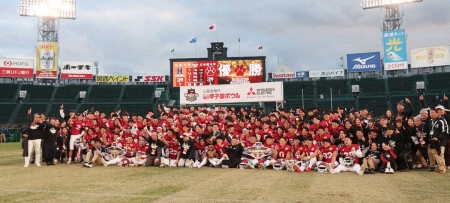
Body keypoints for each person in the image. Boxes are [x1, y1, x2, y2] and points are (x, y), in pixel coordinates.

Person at [429, 107, 448, 173]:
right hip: (433, 141)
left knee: (440, 154)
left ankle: (443, 169)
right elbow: (431, 130)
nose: (431, 114)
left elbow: (445, 131)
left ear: (437, 113)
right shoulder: (431, 121)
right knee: (435, 154)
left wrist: (438, 137)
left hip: (440, 141)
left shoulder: (441, 120)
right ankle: (440, 167)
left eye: (432, 113)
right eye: (430, 113)